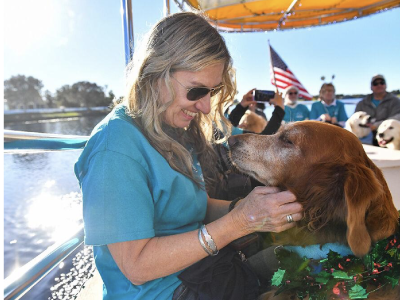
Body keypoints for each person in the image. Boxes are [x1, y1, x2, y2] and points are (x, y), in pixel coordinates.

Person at [74, 12, 302, 300]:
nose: (206, 107)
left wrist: (247, 208)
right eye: (196, 90)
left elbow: (195, 205)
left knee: (307, 263)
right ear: (155, 72)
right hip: (165, 292)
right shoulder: (114, 149)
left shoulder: (171, 129)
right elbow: (136, 266)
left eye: (212, 91)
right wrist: (239, 222)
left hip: (205, 271)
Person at [355, 74, 400, 146]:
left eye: (382, 82)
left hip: (388, 139)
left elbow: (397, 118)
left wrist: (376, 125)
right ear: (371, 87)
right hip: (365, 137)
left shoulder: (396, 101)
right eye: (375, 83)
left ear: (386, 85)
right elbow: (355, 121)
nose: (379, 85)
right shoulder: (361, 104)